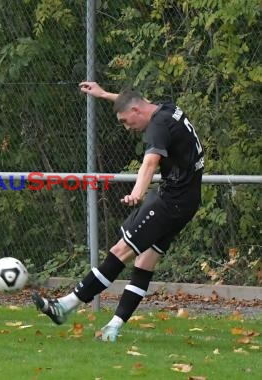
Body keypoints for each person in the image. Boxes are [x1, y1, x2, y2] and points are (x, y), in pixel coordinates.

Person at [32, 81, 204, 342]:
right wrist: (104, 95)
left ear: (136, 111)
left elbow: (149, 163)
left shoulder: (157, 126)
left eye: (125, 121)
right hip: (187, 201)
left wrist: (137, 193)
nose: (127, 127)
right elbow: (133, 99)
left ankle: (64, 306)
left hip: (170, 201)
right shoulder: (167, 110)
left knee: (119, 252)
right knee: (144, 262)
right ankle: (113, 327)